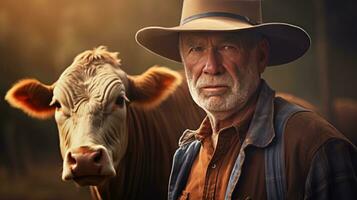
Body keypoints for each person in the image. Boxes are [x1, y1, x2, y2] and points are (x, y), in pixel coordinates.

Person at [135, 0, 357, 199]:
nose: (211, 66)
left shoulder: (313, 147)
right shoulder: (185, 158)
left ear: (260, 55)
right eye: (196, 48)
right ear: (183, 59)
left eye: (228, 46)